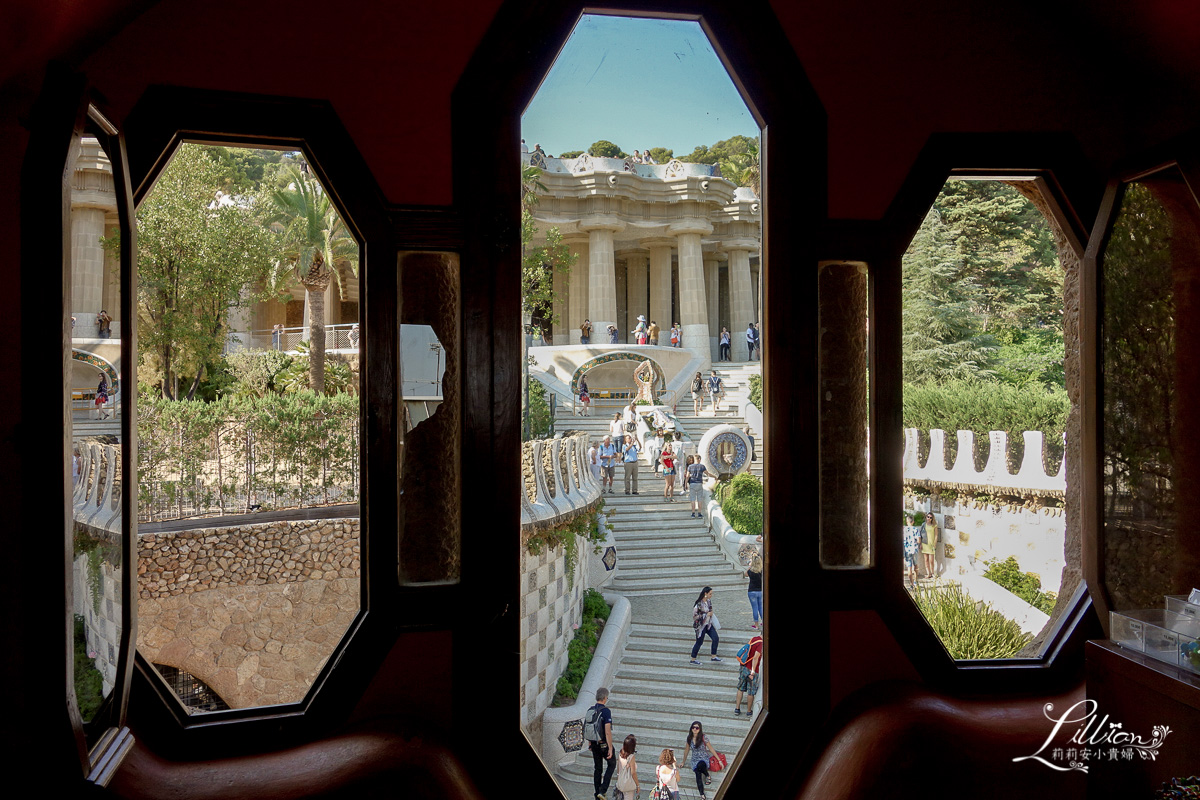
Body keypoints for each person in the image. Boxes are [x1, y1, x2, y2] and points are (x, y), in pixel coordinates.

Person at [586, 687, 616, 800]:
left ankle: (597, 794)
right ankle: (602, 791)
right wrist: (610, 748)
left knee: (598, 768)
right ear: (604, 698)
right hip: (603, 743)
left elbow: (589, 727)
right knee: (612, 764)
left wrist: (590, 743)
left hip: (594, 743)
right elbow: (607, 732)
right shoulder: (606, 711)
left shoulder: (591, 709)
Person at [734, 632, 763, 717]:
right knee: (751, 691)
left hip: (744, 667)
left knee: (740, 688)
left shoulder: (754, 639)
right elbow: (755, 657)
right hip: (752, 670)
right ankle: (749, 711)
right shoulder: (761, 643)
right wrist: (753, 671)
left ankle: (737, 708)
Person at [684, 721, 713, 799]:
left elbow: (710, 748)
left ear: (700, 729)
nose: (695, 729)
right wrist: (683, 761)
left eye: (697, 728)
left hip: (703, 758)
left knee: (701, 765)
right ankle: (702, 794)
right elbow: (686, 750)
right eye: (693, 727)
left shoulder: (703, 737)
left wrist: (719, 760)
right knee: (697, 773)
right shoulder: (689, 738)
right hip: (694, 760)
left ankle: (707, 775)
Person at [690, 586, 720, 664]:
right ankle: (693, 659)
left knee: (715, 638)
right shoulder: (698, 604)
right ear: (705, 594)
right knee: (699, 642)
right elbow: (695, 616)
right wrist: (706, 614)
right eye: (710, 594)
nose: (711, 595)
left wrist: (711, 614)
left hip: (708, 624)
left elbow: (710, 609)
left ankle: (713, 656)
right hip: (700, 626)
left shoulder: (709, 601)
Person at [614, 734, 639, 800]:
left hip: (620, 782)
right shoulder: (631, 757)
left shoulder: (620, 753)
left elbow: (618, 767)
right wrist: (637, 785)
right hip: (628, 784)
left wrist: (619, 777)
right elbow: (633, 773)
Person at [743, 552, 763, 629]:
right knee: (760, 607)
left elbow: (745, 574)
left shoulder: (751, 571)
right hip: (760, 591)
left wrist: (750, 566)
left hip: (752, 591)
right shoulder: (761, 571)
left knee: (755, 608)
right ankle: (763, 623)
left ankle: (756, 625)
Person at [903, 513, 921, 588]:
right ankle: (916, 581)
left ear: (907, 522)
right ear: (913, 522)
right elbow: (919, 540)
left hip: (907, 550)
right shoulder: (915, 529)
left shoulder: (904, 530)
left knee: (909, 567)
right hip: (914, 549)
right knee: (915, 565)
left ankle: (911, 584)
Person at [922, 512, 939, 580]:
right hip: (925, 544)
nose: (929, 518)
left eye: (930, 517)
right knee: (926, 560)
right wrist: (920, 544)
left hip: (931, 544)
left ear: (932, 519)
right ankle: (928, 573)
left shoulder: (934, 525)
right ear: (926, 517)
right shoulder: (924, 524)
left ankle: (933, 573)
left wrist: (935, 544)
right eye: (928, 517)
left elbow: (936, 535)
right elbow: (921, 534)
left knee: (931, 560)